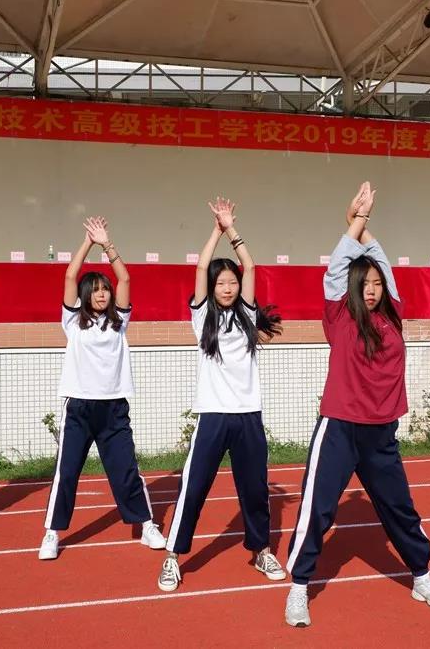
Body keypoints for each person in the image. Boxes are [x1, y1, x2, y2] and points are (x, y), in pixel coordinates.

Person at [283, 182, 430, 628]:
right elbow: (337, 268)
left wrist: (364, 226)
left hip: (381, 432)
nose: (373, 289)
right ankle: (299, 586)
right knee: (318, 510)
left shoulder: (393, 316)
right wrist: (355, 223)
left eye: (377, 284)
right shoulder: (339, 316)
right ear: (353, 288)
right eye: (366, 284)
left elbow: (383, 265)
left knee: (400, 509)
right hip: (339, 428)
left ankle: (422, 575)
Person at [157, 197, 285, 592]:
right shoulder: (202, 317)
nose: (228, 288)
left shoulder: (247, 314)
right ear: (212, 288)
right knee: (194, 487)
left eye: (232, 282)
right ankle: (173, 557)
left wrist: (233, 230)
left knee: (255, 489)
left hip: (248, 414)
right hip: (213, 415)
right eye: (221, 283)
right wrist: (215, 231)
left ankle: (261, 550)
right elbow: (200, 268)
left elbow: (250, 266)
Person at [38, 216, 165, 561]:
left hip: (113, 408)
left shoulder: (119, 321)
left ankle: (146, 525)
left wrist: (107, 245)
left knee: (126, 472)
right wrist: (87, 242)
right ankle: (52, 533)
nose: (101, 294)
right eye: (94, 290)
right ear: (85, 295)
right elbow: (69, 276)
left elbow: (125, 278)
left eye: (104, 289)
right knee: (67, 473)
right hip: (79, 408)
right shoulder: (72, 322)